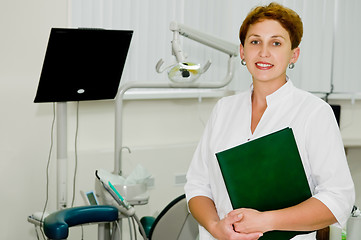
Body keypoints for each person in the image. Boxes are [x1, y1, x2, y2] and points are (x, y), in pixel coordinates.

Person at [184, 2, 355, 240]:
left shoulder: (314, 113)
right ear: (243, 52)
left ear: (293, 54)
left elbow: (338, 199)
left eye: (276, 43)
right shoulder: (224, 109)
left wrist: (266, 220)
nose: (264, 52)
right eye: (255, 42)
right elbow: (197, 186)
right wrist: (215, 227)